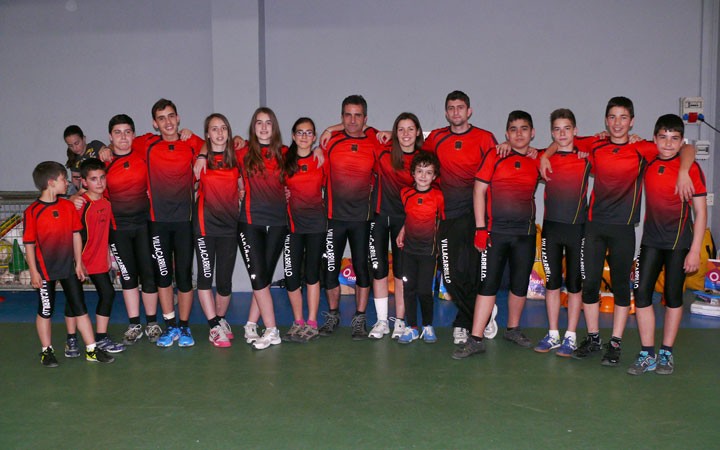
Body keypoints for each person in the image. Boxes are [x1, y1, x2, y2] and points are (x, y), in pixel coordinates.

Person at [540, 97, 696, 366]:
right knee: (589, 285)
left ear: (632, 121)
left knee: (622, 287)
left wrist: (684, 171)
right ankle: (593, 338)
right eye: (612, 117)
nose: (617, 123)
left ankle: (615, 343)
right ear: (605, 120)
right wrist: (545, 154)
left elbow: (688, 147)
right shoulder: (596, 144)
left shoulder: (643, 148)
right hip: (594, 226)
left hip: (624, 228)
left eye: (623, 117)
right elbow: (564, 140)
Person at [453, 111, 541, 359]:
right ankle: (476, 337)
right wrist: (480, 228)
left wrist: (550, 149)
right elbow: (479, 191)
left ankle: (513, 329)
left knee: (520, 285)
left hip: (524, 233)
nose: (519, 134)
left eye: (524, 129)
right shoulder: (495, 154)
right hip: (495, 233)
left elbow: (563, 147)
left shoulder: (538, 158)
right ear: (506, 134)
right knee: (488, 284)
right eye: (513, 129)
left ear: (532, 133)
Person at [627, 114, 707, 375]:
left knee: (672, 298)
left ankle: (666, 352)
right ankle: (647, 353)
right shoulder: (649, 155)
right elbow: (619, 137)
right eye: (663, 137)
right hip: (650, 241)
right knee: (641, 296)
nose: (668, 144)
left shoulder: (692, 169)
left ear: (680, 140)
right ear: (654, 139)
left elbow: (701, 212)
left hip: (678, 244)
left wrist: (695, 250)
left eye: (674, 138)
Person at [422, 90, 499, 345]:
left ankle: (464, 322)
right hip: (448, 216)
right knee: (450, 275)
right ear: (446, 112)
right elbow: (417, 159)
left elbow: (500, 165)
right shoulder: (436, 138)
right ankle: (481, 314)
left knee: (473, 273)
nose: (456, 112)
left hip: (477, 217)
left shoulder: (485, 138)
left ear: (469, 111)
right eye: (451, 108)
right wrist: (390, 136)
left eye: (460, 107)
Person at [24, 161, 114, 366]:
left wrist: (79, 263)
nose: (67, 182)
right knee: (46, 309)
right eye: (64, 179)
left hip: (68, 268)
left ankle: (91, 349)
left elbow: (76, 236)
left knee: (80, 306)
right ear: (51, 182)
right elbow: (29, 244)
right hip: (45, 270)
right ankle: (46, 351)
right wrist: (33, 272)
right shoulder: (33, 211)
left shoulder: (67, 206)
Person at [133, 99, 205, 348]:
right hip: (158, 223)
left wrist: (203, 153)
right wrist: (106, 149)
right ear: (155, 123)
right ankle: (170, 325)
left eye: (171, 116)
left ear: (178, 118)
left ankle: (184, 327)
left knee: (184, 277)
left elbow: (212, 144)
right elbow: (119, 142)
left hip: (184, 222)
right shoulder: (147, 145)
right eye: (161, 118)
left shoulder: (190, 143)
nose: (168, 122)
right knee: (164, 276)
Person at [318, 95, 380, 340]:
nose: (352, 120)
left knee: (362, 269)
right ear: (341, 117)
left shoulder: (375, 142)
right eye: (347, 115)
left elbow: (401, 138)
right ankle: (333, 315)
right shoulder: (329, 142)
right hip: (333, 218)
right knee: (330, 270)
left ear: (365, 118)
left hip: (362, 220)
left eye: (357, 115)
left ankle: (360, 319)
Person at [533, 109, 592, 357]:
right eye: (557, 129)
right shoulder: (543, 159)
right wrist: (546, 154)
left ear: (575, 130)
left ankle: (571, 336)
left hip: (577, 228)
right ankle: (554, 333)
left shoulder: (587, 156)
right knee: (552, 283)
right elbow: (520, 148)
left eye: (567, 128)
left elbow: (608, 140)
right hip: (552, 228)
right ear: (551, 133)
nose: (562, 133)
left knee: (575, 284)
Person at [362, 112, 425, 340]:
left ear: (418, 131)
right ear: (394, 132)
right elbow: (359, 126)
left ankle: (399, 321)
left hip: (406, 223)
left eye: (410, 129)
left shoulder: (422, 159)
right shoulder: (383, 151)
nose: (406, 134)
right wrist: (330, 130)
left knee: (401, 272)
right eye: (401, 129)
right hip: (379, 218)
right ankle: (381, 321)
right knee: (378, 271)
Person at [103, 114, 161, 345]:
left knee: (148, 275)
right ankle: (134, 323)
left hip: (144, 226)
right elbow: (91, 190)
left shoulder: (143, 156)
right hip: (118, 229)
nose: (123, 137)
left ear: (134, 135)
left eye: (127, 132)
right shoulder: (104, 163)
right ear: (110, 136)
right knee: (127, 277)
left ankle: (152, 322)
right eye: (118, 132)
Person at [236, 107, 288, 350]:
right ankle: (272, 330)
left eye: (268, 123)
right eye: (259, 123)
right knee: (258, 276)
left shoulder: (286, 154)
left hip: (278, 222)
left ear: (274, 127)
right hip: (250, 222)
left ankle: (250, 323)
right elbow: (208, 145)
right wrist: (203, 156)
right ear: (253, 127)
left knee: (263, 278)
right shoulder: (242, 151)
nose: (264, 127)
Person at [62, 158, 125, 356]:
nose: (99, 182)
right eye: (94, 179)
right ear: (84, 182)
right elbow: (71, 233)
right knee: (74, 299)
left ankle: (101, 336)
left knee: (108, 293)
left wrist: (107, 255)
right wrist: (77, 262)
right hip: (77, 259)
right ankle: (71, 339)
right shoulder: (80, 204)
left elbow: (104, 232)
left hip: (98, 258)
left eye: (102, 178)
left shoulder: (106, 203)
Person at [193, 113, 241, 348]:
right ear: (207, 134)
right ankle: (213, 325)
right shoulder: (200, 158)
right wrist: (202, 153)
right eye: (214, 129)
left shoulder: (237, 156)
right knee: (205, 275)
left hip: (230, 226)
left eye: (223, 128)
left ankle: (220, 320)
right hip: (205, 225)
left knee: (224, 280)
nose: (219, 133)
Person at [282, 117, 326, 343]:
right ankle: (298, 321)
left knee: (311, 274)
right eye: (300, 132)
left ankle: (311, 322)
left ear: (315, 136)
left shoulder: (321, 159)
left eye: (309, 133)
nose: (304, 136)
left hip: (316, 225)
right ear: (293, 135)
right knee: (291, 276)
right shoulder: (284, 160)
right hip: (292, 226)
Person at [396, 151, 444, 344]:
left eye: (428, 172)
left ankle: (427, 325)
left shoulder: (439, 196)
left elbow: (441, 222)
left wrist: (439, 245)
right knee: (409, 289)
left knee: (425, 290)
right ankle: (411, 327)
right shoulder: (405, 193)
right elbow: (409, 217)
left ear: (434, 176)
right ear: (413, 173)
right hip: (409, 251)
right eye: (420, 171)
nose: (423, 176)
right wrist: (402, 231)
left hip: (428, 252)